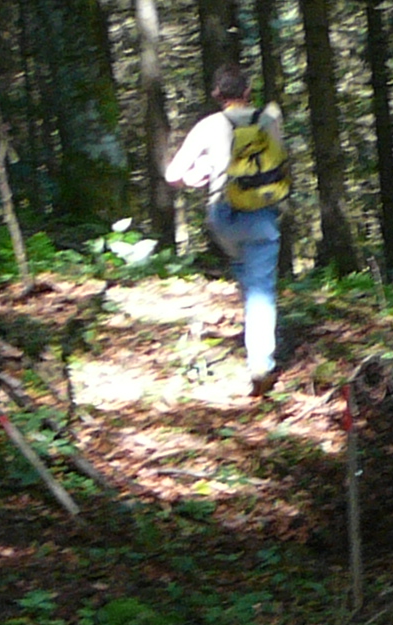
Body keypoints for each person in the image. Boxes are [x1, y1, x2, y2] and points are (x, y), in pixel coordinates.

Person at [165, 63, 289, 399]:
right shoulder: (268, 119)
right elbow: (278, 162)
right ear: (248, 91)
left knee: (247, 275)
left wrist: (199, 175)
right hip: (261, 214)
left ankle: (255, 335)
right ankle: (260, 363)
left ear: (217, 94)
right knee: (261, 286)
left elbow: (173, 174)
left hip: (222, 216)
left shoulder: (208, 125)